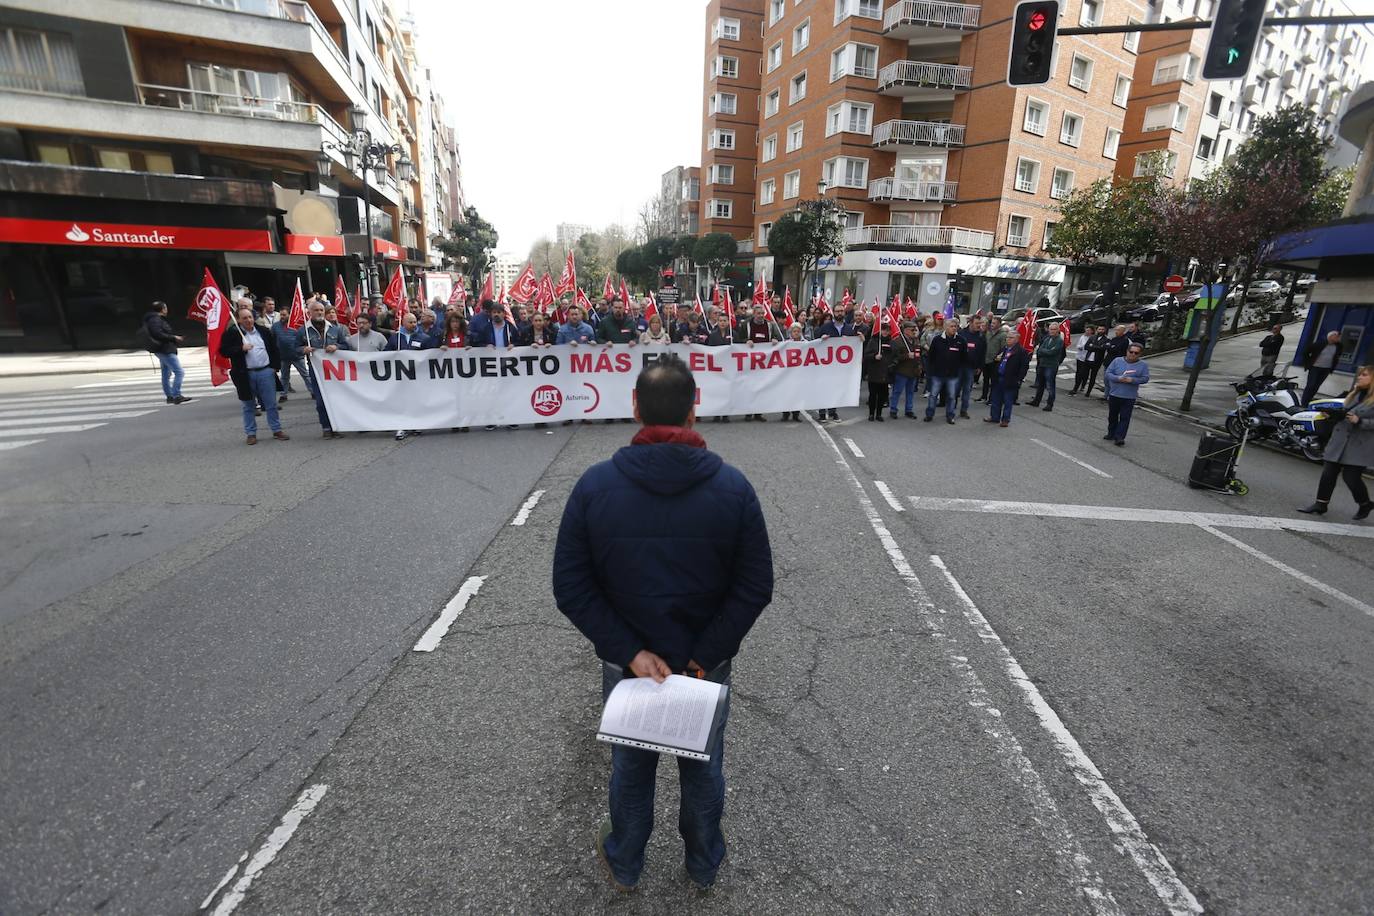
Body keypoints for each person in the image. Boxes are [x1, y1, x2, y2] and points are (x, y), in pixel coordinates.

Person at [551, 355, 773, 893]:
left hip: (629, 665)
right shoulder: (734, 488)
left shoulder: (595, 486)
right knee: (702, 765)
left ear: (635, 408)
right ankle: (703, 863)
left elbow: (571, 586)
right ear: (694, 409)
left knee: (631, 767)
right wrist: (705, 653)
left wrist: (631, 652)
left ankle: (625, 862)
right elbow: (754, 586)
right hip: (704, 662)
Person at [1297, 364, 1373, 519]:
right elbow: (1343, 413)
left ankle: (1365, 504)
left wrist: (1360, 421)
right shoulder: (1354, 394)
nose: (1359, 377)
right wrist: (1331, 415)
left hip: (1359, 444)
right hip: (1339, 440)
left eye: (1364, 375)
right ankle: (1320, 504)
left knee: (1351, 478)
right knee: (1328, 473)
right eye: (1360, 374)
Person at [220, 304, 288, 445]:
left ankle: (276, 429)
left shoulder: (263, 331)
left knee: (271, 404)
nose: (248, 320)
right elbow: (224, 351)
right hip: (245, 374)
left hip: (265, 372)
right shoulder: (232, 334)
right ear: (238, 320)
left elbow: (274, 349)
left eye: (250, 317)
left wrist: (274, 367)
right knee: (248, 405)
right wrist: (240, 348)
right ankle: (251, 433)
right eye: (244, 318)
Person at [300, 300, 352, 438]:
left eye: (321, 310)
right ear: (309, 313)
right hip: (316, 371)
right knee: (321, 400)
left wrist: (337, 347)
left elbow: (346, 345)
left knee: (336, 398)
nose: (319, 312)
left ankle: (338, 426)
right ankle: (327, 427)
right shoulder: (304, 330)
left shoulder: (335, 329)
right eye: (316, 310)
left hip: (334, 371)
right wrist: (303, 349)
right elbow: (293, 349)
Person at [386, 312, 434, 441]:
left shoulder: (424, 338)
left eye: (415, 322)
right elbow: (385, 354)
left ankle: (416, 424)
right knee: (401, 401)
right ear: (403, 323)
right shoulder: (395, 338)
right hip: (400, 376)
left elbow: (430, 356)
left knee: (416, 400)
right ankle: (402, 426)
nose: (414, 324)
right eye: (410, 322)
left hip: (417, 376)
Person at [143, 300, 190, 404]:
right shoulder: (155, 320)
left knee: (166, 374)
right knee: (179, 372)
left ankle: (170, 396)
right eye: (165, 308)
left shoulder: (153, 319)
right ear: (163, 309)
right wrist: (174, 337)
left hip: (162, 349)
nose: (167, 310)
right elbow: (158, 334)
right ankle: (176, 395)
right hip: (165, 350)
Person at [1104, 342, 1150, 446]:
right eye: (1131, 352)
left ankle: (1119, 437)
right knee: (1112, 416)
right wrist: (1118, 378)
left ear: (1140, 354)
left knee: (1125, 417)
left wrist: (1132, 380)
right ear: (1127, 351)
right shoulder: (1117, 361)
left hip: (1129, 396)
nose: (1133, 354)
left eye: (1136, 353)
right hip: (1115, 394)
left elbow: (1145, 378)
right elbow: (1108, 373)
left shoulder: (1143, 365)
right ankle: (1111, 433)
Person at [818, 307, 859, 421]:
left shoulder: (849, 329)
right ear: (834, 312)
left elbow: (855, 346)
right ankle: (822, 412)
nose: (839, 313)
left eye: (841, 311)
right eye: (837, 311)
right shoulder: (825, 327)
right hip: (826, 365)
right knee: (824, 389)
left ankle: (832, 411)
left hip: (840, 367)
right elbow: (815, 343)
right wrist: (821, 339)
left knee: (835, 389)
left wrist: (858, 339)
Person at [982, 332, 1031, 428]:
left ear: (1017, 339)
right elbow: (997, 360)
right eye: (1007, 337)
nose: (1008, 339)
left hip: (1010, 379)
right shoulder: (1004, 349)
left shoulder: (1021, 351)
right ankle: (994, 417)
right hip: (999, 377)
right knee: (996, 399)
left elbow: (1024, 367)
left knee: (1008, 401)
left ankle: (1005, 419)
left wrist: (1019, 379)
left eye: (1011, 338)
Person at [924, 318, 964, 425]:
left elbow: (964, 357)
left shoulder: (961, 340)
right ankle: (929, 414)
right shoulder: (937, 339)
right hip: (938, 373)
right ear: (945, 327)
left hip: (953, 374)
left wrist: (958, 368)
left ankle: (950, 416)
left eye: (955, 326)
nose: (954, 328)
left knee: (951, 396)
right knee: (933, 395)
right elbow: (931, 356)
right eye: (951, 326)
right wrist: (931, 370)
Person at [1027, 325, 1066, 411]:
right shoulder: (1047, 338)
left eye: (1054, 329)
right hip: (1042, 364)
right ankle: (1036, 401)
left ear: (1058, 330)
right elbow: (1039, 350)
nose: (1052, 331)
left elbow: (1052, 352)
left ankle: (1050, 404)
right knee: (1040, 384)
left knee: (1050, 385)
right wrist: (1045, 351)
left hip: (1051, 365)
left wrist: (1044, 351)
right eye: (1051, 329)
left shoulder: (1059, 341)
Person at [888, 321, 921, 419]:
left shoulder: (916, 341)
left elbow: (918, 354)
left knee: (910, 392)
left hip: (913, 371)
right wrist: (906, 356)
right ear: (905, 330)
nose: (914, 332)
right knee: (897, 392)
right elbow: (893, 357)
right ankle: (893, 410)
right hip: (901, 371)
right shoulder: (897, 342)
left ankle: (909, 410)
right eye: (912, 330)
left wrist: (919, 365)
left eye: (915, 330)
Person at [1300, 330, 1342, 405]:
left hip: (1326, 369)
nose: (1338, 338)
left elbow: (1337, 356)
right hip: (1315, 367)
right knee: (1311, 385)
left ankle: (1309, 400)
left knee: (1316, 386)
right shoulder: (1320, 344)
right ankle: (1303, 401)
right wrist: (1307, 363)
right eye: (1337, 337)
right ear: (1331, 337)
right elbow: (1306, 352)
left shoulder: (1338, 346)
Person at [957, 317, 986, 419]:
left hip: (971, 368)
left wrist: (980, 367)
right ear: (970, 323)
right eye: (977, 323)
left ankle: (964, 410)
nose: (979, 325)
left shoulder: (981, 336)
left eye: (980, 323)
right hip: (959, 366)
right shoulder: (961, 333)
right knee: (955, 389)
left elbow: (983, 353)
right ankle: (951, 408)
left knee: (967, 390)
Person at [864, 322, 892, 422]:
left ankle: (879, 414)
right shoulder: (873, 341)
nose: (885, 332)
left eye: (887, 330)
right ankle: (871, 413)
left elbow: (894, 355)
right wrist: (874, 356)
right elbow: (866, 355)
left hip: (885, 373)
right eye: (883, 330)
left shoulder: (891, 342)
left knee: (882, 396)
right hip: (874, 372)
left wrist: (891, 366)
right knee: (873, 395)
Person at [780, 323, 805, 421]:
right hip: (788, 373)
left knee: (797, 394)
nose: (796, 333)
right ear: (791, 333)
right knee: (787, 394)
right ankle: (785, 414)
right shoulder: (786, 343)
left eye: (798, 331)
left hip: (800, 373)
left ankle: (796, 415)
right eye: (794, 331)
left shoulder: (806, 343)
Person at [979, 316, 1007, 402]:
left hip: (995, 361)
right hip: (986, 359)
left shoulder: (1003, 335)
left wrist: (998, 357)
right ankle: (984, 396)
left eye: (994, 323)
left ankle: (991, 399)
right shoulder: (988, 332)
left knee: (994, 381)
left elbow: (1003, 348)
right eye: (992, 323)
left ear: (999, 324)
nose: (992, 325)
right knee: (985, 379)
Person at [1098, 326, 1131, 398]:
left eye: (1118, 330)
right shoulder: (1114, 339)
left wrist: (1111, 347)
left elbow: (1117, 350)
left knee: (1112, 381)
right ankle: (1106, 395)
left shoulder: (1125, 340)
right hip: (1108, 361)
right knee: (1106, 380)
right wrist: (1111, 347)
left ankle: (1111, 396)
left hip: (1116, 363)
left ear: (1123, 331)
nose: (1116, 332)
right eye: (1116, 330)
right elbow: (1108, 348)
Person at [1082, 325, 1110, 397]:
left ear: (1105, 330)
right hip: (1088, 359)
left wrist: (1092, 346)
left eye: (1102, 329)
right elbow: (1086, 347)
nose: (1101, 331)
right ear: (1097, 330)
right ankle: (1082, 386)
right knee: (1084, 375)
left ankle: (1088, 391)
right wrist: (1097, 347)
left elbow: (1103, 348)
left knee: (1093, 376)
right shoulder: (1092, 337)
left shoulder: (1106, 339)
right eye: (1099, 329)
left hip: (1097, 361)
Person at [1069, 326, 1094, 396]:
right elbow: (1078, 345)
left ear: (1092, 331)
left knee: (1084, 373)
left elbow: (1090, 347)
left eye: (1089, 330)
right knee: (1078, 372)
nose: (1087, 331)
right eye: (1086, 330)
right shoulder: (1082, 337)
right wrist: (1080, 347)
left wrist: (1085, 347)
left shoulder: (1093, 338)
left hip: (1087, 358)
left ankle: (1082, 385)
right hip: (1080, 356)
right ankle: (1076, 385)